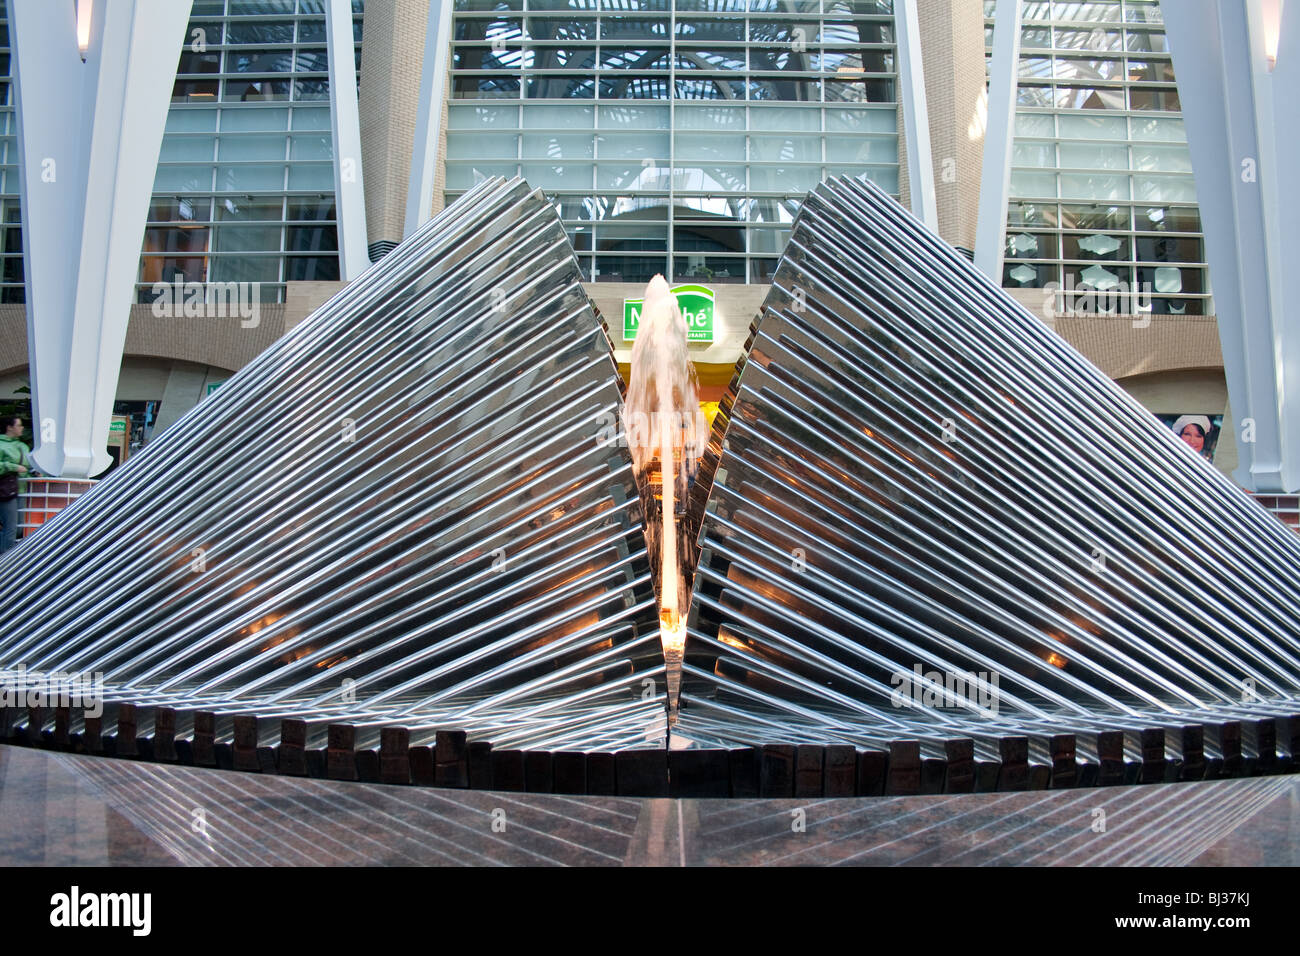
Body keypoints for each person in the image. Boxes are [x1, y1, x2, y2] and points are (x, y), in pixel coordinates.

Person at [0, 415, 30, 553]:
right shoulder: (1, 444)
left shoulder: (23, 446)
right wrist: (12, 467)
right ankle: (5, 561)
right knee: (11, 527)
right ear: (9, 427)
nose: (22, 428)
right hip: (6, 490)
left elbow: (28, 467)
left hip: (23, 490)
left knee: (18, 528)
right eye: (19, 425)